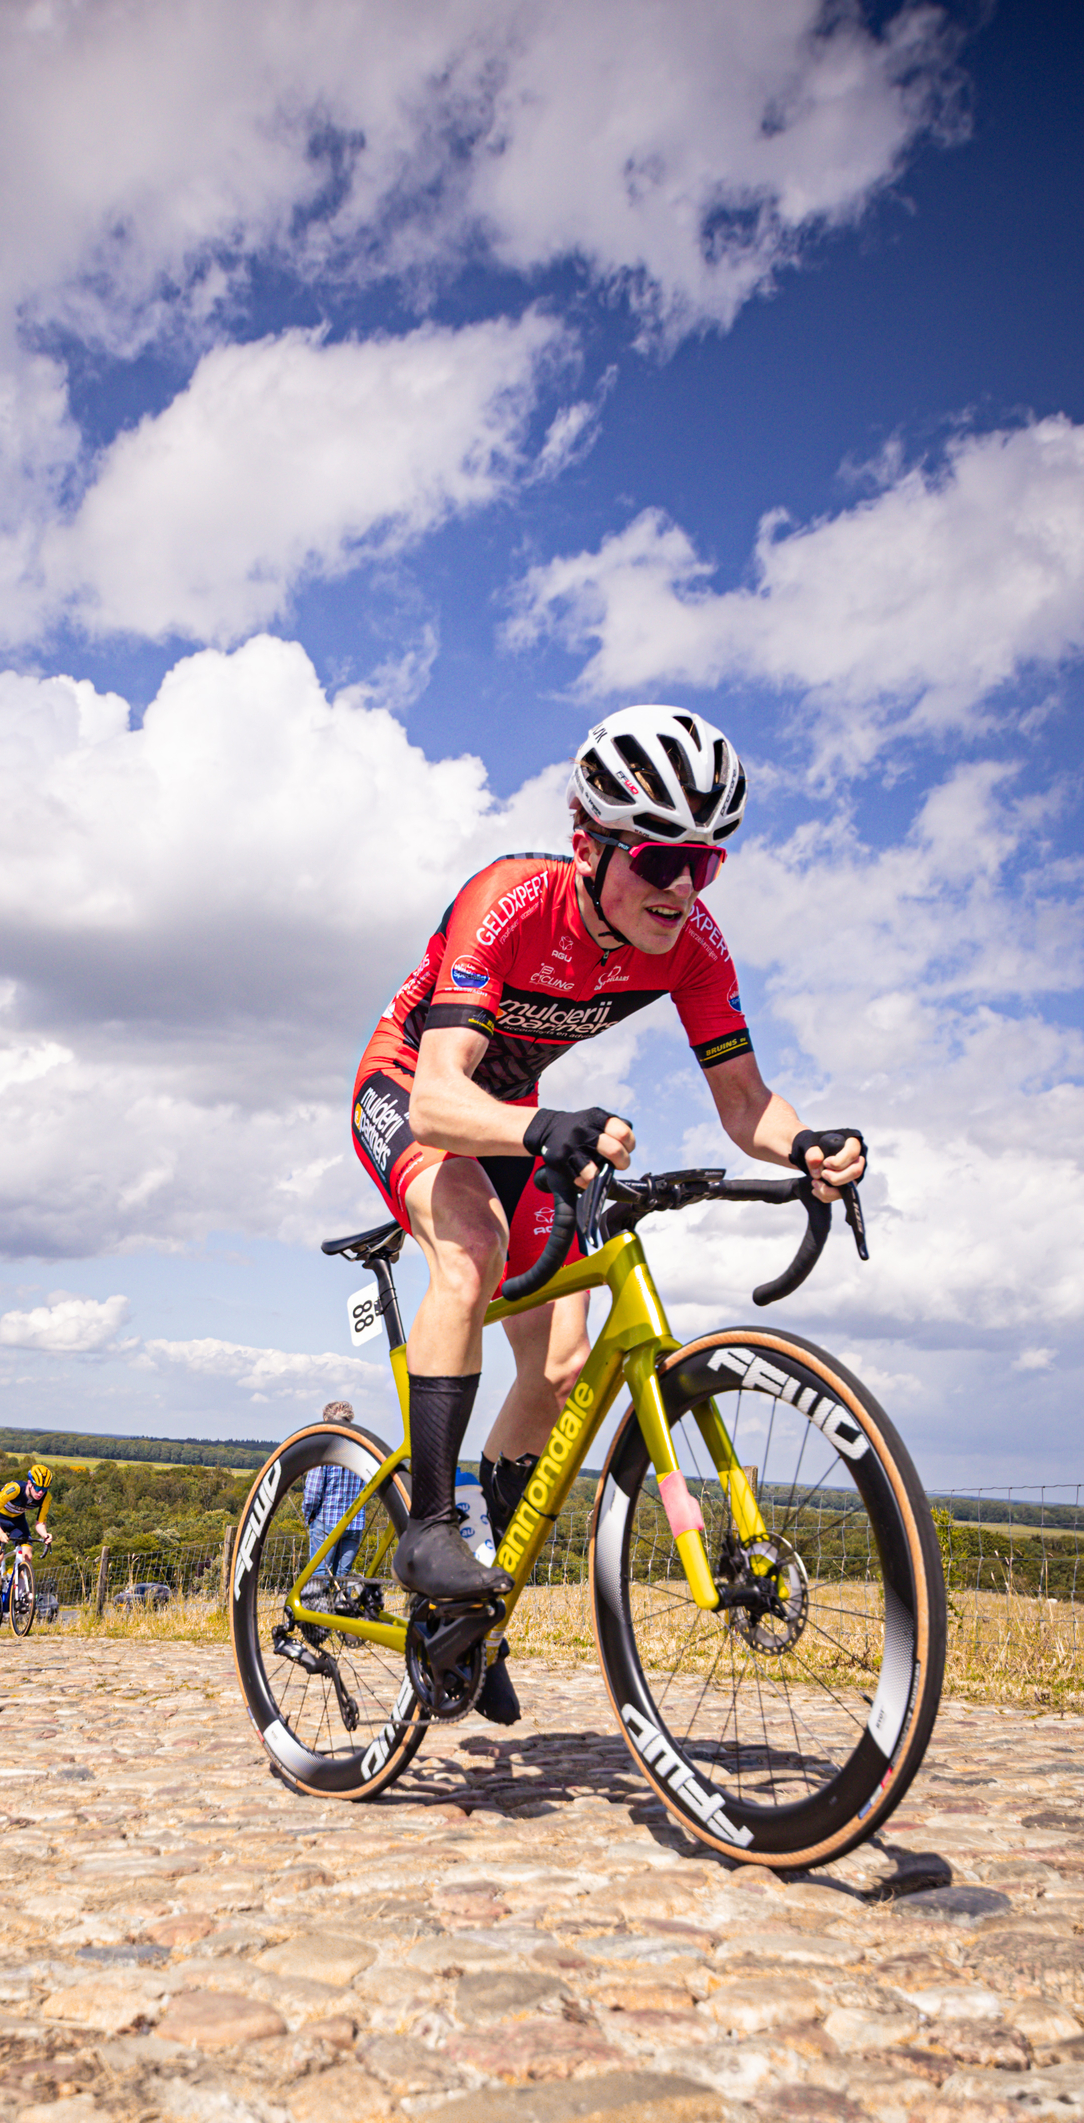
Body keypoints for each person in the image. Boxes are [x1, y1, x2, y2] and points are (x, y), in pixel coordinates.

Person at [348, 705, 866, 1722]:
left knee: (560, 1364)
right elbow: (441, 1098)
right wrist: (541, 1123)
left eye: (704, 865)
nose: (680, 888)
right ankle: (429, 1529)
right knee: (471, 1250)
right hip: (414, 1088)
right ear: (590, 846)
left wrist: (803, 1146)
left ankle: (469, 1604)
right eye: (659, 860)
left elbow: (745, 1106)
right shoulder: (508, 902)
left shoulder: (689, 947)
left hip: (528, 1123)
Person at [301, 1402, 368, 1596]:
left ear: (326, 1420)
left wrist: (309, 1515)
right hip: (354, 1523)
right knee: (342, 1579)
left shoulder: (324, 1448)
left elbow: (313, 1492)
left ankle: (319, 1621)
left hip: (326, 1520)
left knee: (320, 1576)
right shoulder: (360, 1449)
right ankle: (340, 1620)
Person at [0, 1462, 54, 1607]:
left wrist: (45, 1535)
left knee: (27, 1556)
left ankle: (20, 1597)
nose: (40, 1492)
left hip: (17, 1521)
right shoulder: (14, 1489)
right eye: (38, 1487)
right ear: (30, 1483)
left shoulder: (46, 1498)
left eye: (44, 1488)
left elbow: (40, 1523)